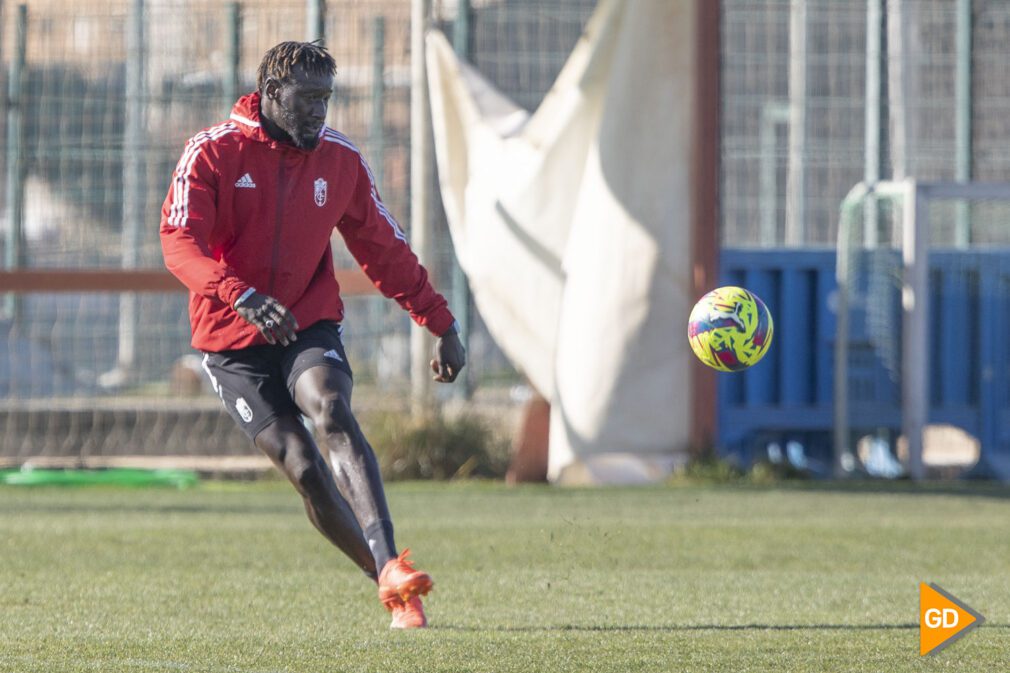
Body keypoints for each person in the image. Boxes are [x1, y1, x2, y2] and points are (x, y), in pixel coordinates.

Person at [159, 41, 465, 629]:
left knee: (330, 406)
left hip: (306, 320)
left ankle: (391, 564)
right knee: (301, 465)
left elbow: (383, 247)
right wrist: (237, 293)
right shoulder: (213, 153)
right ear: (272, 94)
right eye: (306, 99)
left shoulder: (340, 160)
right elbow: (179, 242)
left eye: (326, 98)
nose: (319, 112)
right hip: (229, 340)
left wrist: (440, 321)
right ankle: (389, 583)